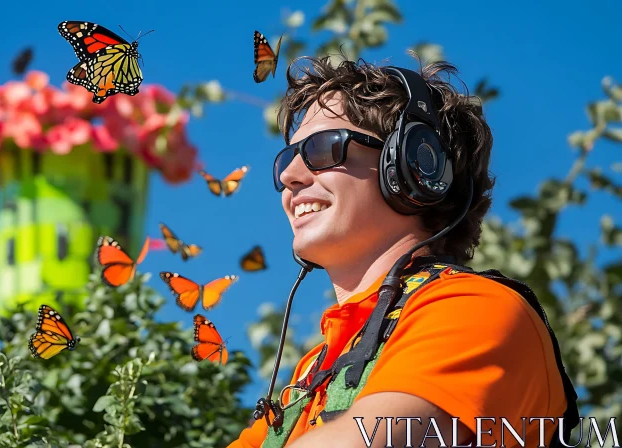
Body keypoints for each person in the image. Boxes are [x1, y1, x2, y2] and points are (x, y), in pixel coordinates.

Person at [228, 56, 578, 448]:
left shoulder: (474, 309)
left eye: (323, 149)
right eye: (286, 160)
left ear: (414, 167)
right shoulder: (312, 371)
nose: (290, 177)